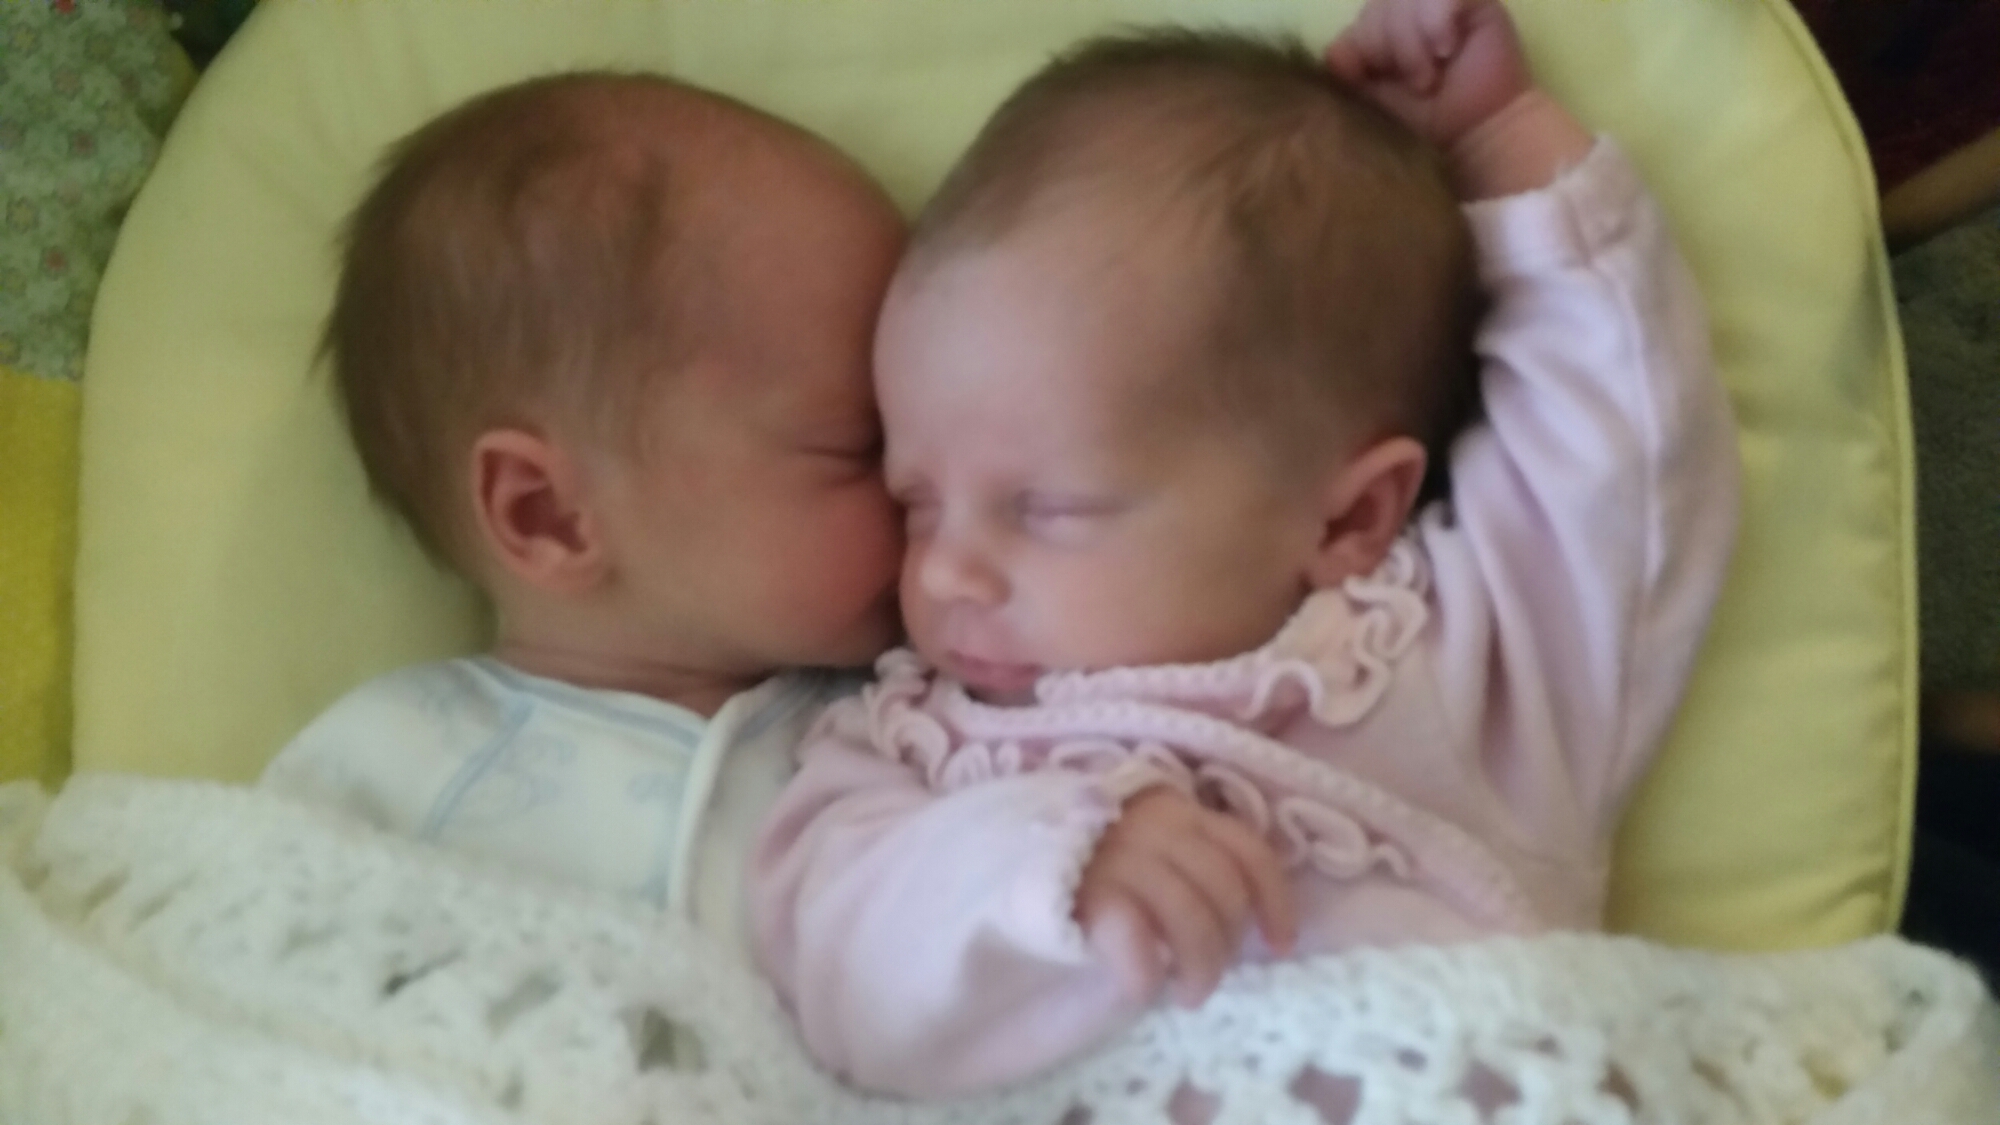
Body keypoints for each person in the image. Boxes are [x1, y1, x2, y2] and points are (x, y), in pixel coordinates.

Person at [751, 0, 1740, 1097]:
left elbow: (1620, 456)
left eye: (1047, 508)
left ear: (1346, 521)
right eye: (917, 501)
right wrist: (1042, 867)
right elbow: (834, 975)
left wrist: (1497, 137)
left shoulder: (1461, 668)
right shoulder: (916, 752)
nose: (943, 572)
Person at [260, 71, 906, 959]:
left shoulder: (916, 723)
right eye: (862, 442)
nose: (925, 475)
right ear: (550, 514)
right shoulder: (391, 758)